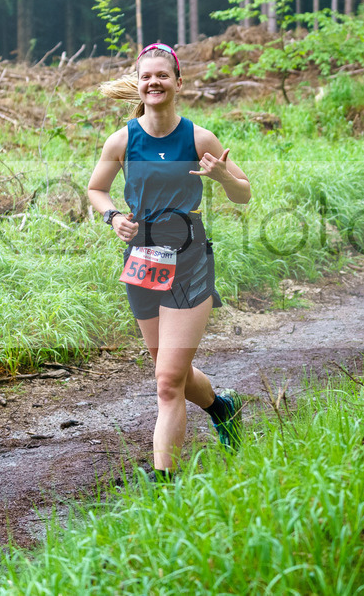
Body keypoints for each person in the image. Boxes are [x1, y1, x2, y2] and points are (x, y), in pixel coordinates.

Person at [87, 43, 252, 482]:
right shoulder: (122, 140)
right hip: (141, 260)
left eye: (163, 75)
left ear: (179, 82)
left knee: (165, 382)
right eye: (146, 76)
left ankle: (164, 489)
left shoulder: (198, 138)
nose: (154, 82)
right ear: (138, 84)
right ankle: (222, 407)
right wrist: (114, 216)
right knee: (170, 373)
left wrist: (221, 177)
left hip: (190, 259)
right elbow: (96, 189)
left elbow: (244, 193)